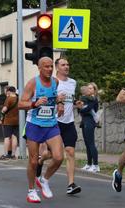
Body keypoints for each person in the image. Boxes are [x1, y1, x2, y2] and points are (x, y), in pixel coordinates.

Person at [18, 57, 64, 203]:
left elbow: (55, 97)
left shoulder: (55, 82)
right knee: (33, 161)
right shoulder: (33, 83)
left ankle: (44, 180)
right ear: (39, 68)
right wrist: (34, 104)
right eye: (46, 67)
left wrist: (60, 103)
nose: (50, 69)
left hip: (51, 124)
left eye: (51, 66)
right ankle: (31, 191)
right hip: (35, 124)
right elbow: (20, 104)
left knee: (58, 157)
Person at [37, 58, 81, 195]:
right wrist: (59, 103)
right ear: (57, 68)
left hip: (69, 122)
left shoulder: (73, 82)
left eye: (68, 64)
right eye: (63, 65)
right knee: (51, 154)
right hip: (54, 122)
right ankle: (40, 160)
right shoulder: (53, 82)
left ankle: (71, 184)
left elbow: (70, 100)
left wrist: (76, 104)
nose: (66, 67)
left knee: (70, 152)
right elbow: (47, 99)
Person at [77, 83, 100, 173]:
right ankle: (89, 164)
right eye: (88, 88)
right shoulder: (85, 98)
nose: (88, 90)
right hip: (84, 121)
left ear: (94, 90)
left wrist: (82, 108)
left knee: (91, 143)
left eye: (91, 88)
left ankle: (96, 165)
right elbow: (80, 110)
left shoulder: (93, 99)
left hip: (90, 122)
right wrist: (81, 108)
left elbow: (85, 109)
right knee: (87, 144)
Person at [0, 86, 19, 160]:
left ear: (9, 91)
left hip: (8, 121)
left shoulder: (9, 98)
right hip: (17, 121)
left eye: (6, 91)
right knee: (14, 137)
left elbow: (4, 110)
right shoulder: (18, 98)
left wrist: (1, 118)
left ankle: (5, 155)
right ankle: (13, 155)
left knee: (7, 137)